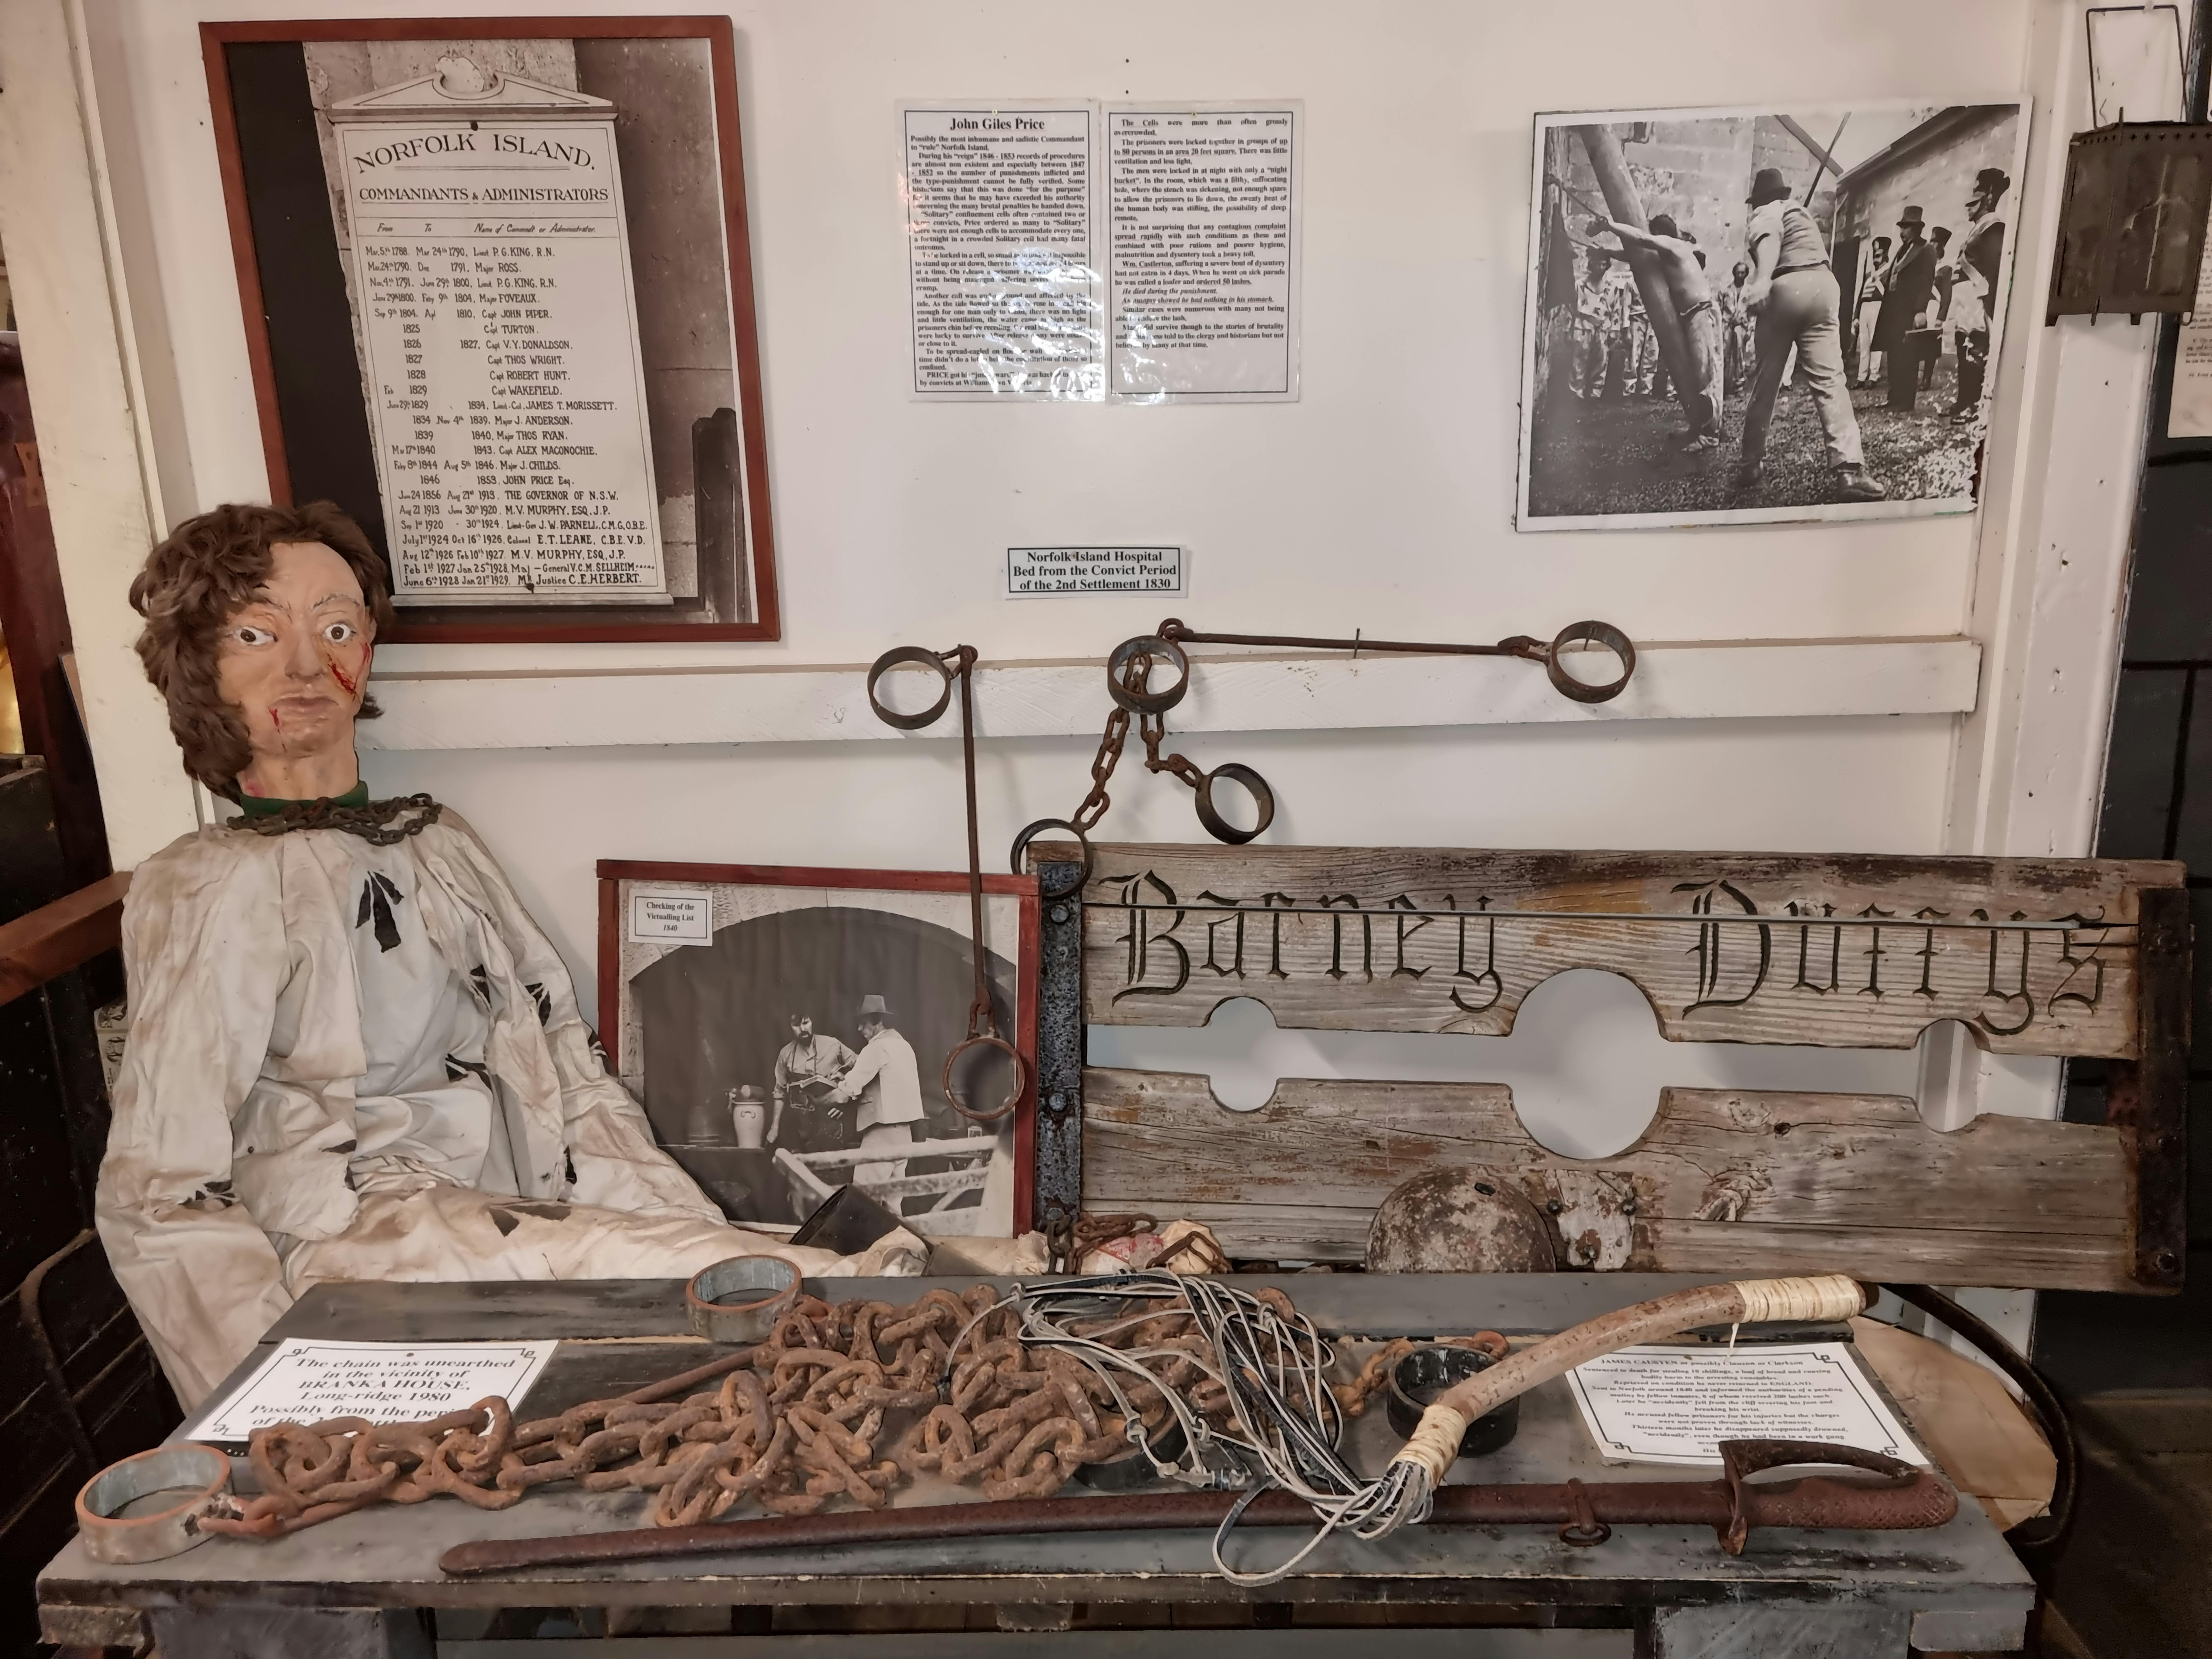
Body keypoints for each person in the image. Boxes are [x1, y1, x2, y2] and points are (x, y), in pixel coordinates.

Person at [96, 502, 923, 1406]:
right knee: (758, 1275)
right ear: (199, 663)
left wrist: (675, 1219)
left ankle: (974, 1283)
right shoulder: (211, 886)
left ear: (366, 649)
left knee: (730, 1262)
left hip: (507, 1205)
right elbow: (159, 1188)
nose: (305, 665)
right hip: (354, 1231)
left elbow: (562, 1065)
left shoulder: (436, 842)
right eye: (258, 632)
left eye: (336, 628)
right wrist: (263, 1404)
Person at [1735, 167, 1885, 502]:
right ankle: (1849, 471)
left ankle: (1750, 463)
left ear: (1758, 200)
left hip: (1786, 286)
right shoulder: (1799, 213)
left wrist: (1761, 281)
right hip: (1823, 286)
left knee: (1766, 383)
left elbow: (1769, 239)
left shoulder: (1765, 213)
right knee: (1832, 381)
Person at [1600, 213, 1724, 448]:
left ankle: (1711, 435)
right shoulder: (1667, 255)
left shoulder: (1676, 245)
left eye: (1655, 234)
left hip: (1701, 313)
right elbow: (1635, 257)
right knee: (1695, 372)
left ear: (1660, 234)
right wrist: (1609, 253)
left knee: (1707, 374)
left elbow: (1642, 240)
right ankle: (1698, 428)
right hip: (1690, 316)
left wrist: (1610, 226)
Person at [824, 994, 926, 1189]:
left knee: (863, 1197)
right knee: (893, 1203)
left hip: (881, 1135)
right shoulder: (904, 1046)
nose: (860, 1029)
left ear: (878, 1021)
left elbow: (844, 1094)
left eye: (863, 1024)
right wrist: (846, 1083)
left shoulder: (876, 1048)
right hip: (904, 1135)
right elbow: (886, 1085)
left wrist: (819, 1101)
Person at [1949, 168, 2009, 418]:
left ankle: (1974, 405)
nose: (1969, 208)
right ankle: (1964, 400)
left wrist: (1990, 301)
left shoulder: (1994, 226)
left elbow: (1995, 268)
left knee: (1975, 349)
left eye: (1975, 202)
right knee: (1963, 348)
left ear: (1988, 200)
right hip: (1964, 297)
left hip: (1977, 296)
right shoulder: (1978, 228)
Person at [1876, 205, 1937, 413]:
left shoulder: (1926, 250)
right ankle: (1894, 398)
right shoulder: (1902, 250)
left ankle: (1906, 402)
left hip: (1910, 311)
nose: (1902, 232)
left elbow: (1926, 282)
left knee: (1908, 356)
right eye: (1902, 228)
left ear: (1917, 229)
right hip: (1894, 310)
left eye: (1906, 228)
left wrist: (1921, 310)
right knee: (1894, 355)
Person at [769, 1011, 855, 1151]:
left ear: (813, 1022)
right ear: (789, 1027)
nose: (803, 1029)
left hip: (830, 1119)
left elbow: (861, 1068)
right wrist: (774, 1128)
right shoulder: (786, 1054)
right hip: (800, 1122)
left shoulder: (833, 1045)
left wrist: (845, 1079)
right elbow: (780, 1093)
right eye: (796, 1025)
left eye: (806, 1023)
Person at [1853, 236, 1891, 386]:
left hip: (1878, 307)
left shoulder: (1888, 273)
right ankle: (1861, 377)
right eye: (1874, 256)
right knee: (1864, 345)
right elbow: (1861, 297)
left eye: (1879, 256)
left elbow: (1887, 294)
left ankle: (1874, 376)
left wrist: (1878, 282)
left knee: (1876, 345)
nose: (1876, 259)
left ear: (1886, 255)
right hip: (1865, 309)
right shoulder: (1869, 275)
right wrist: (1856, 316)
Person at [1924, 227, 1955, 392]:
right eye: (1931, 241)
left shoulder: (1946, 269)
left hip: (1934, 310)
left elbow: (1947, 297)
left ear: (1942, 246)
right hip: (1922, 309)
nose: (1932, 245)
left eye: (1935, 242)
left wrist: (1940, 318)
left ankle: (1926, 380)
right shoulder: (1926, 266)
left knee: (1930, 346)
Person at [1719, 260, 1756, 396]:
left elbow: (1753, 313)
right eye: (1738, 272)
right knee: (1724, 354)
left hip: (1742, 326)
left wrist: (1751, 329)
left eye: (1743, 273)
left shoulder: (1750, 291)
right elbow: (1719, 307)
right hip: (1727, 325)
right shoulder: (1726, 291)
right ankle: (1723, 385)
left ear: (1746, 274)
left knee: (1739, 354)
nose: (1740, 275)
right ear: (1734, 273)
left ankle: (1739, 385)